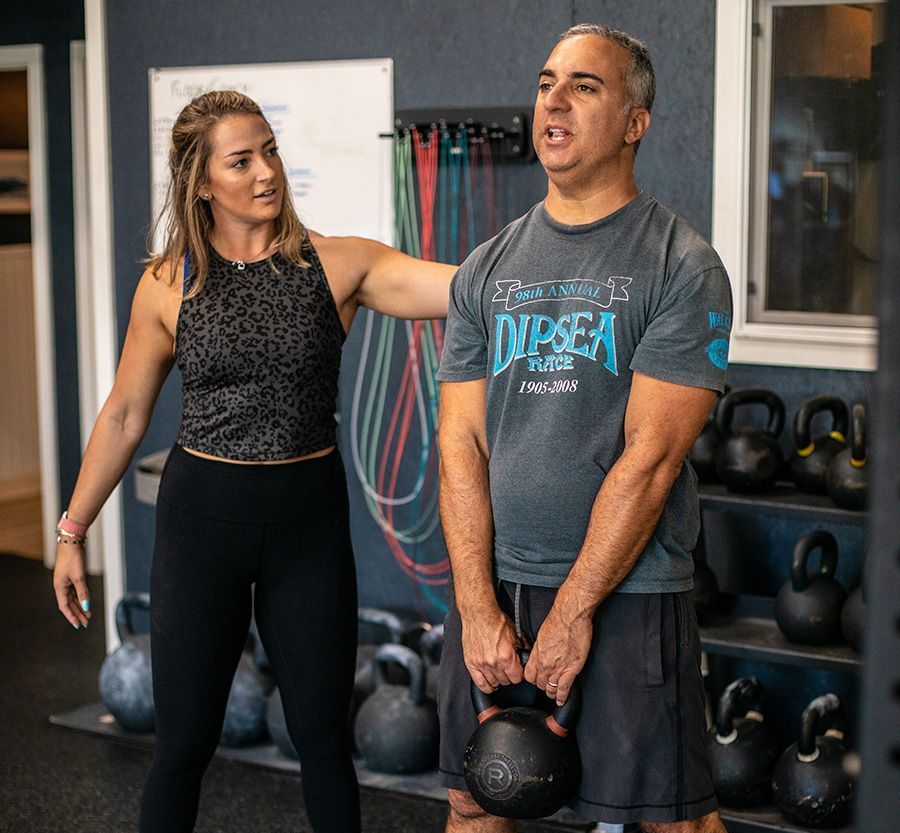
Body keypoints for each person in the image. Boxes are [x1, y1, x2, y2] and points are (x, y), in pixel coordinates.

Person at [52, 90, 455, 833]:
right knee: (181, 745)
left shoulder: (337, 266)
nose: (268, 171)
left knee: (325, 740)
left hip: (308, 526)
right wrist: (72, 531)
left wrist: (550, 265)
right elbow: (124, 414)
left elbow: (460, 288)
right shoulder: (169, 283)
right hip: (200, 523)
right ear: (202, 182)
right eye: (243, 160)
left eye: (270, 150)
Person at [436, 24, 732, 833]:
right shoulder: (485, 269)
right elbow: (459, 444)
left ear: (635, 121)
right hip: (499, 587)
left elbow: (653, 457)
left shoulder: (681, 264)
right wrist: (474, 602)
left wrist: (573, 611)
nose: (552, 103)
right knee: (473, 798)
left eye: (584, 86)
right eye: (544, 84)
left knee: (674, 818)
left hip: (629, 591)